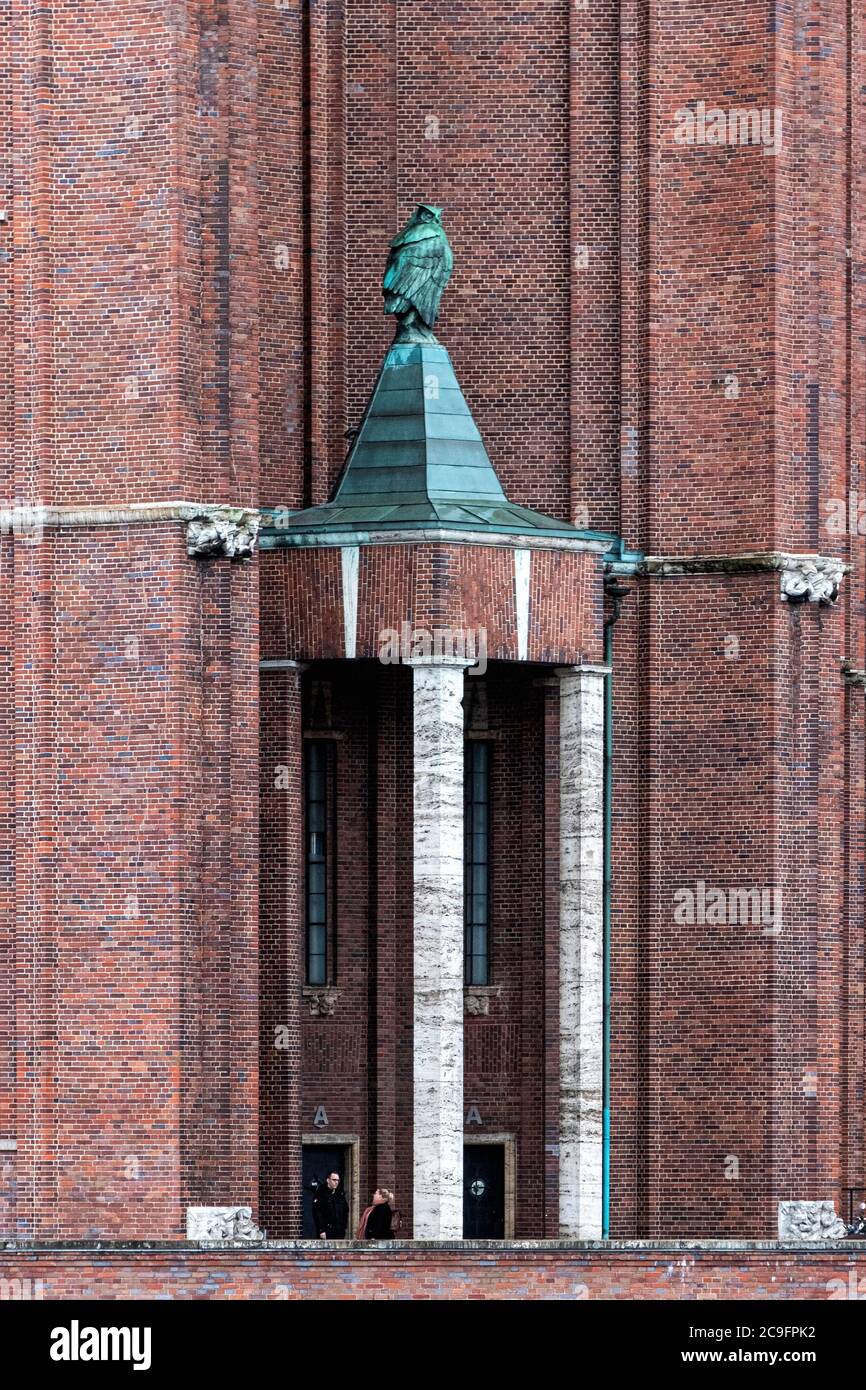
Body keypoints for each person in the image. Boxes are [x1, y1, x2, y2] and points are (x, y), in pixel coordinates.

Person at [311, 1171, 349, 1240]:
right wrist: (321, 1230)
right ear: (328, 1180)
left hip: (339, 1231)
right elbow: (317, 1213)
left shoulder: (339, 1194)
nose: (336, 1182)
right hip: (326, 1231)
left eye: (338, 1180)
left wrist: (343, 1226)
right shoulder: (321, 1193)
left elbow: (345, 1210)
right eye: (334, 1180)